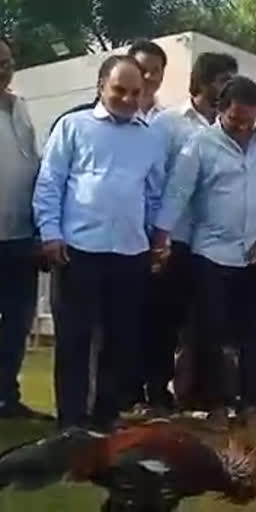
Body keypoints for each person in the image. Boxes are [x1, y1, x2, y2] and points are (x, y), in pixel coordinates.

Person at [33, 55, 165, 432]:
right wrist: (50, 233)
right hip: (77, 249)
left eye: (135, 93)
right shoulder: (73, 126)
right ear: (101, 86)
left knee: (120, 341)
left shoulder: (150, 137)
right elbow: (50, 184)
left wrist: (157, 239)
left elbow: (154, 194)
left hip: (130, 252)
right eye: (119, 90)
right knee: (74, 341)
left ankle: (105, 419)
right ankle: (71, 422)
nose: (127, 99)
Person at [152, 76, 256, 431]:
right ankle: (217, 406)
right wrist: (161, 238)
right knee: (212, 333)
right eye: (233, 120)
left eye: (248, 121)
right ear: (220, 111)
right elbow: (177, 194)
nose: (241, 127)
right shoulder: (200, 145)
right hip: (212, 252)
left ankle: (252, 405)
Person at [136, 52, 238, 417]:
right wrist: (155, 233)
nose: (228, 86)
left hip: (211, 243)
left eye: (232, 78)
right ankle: (155, 394)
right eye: (223, 78)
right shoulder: (169, 124)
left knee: (207, 323)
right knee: (163, 321)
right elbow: (153, 178)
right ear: (202, 81)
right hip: (174, 237)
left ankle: (202, 396)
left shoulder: (231, 129)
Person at [0, 36, 52, 421]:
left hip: (19, 237)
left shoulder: (21, 109)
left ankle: (7, 398)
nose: (3, 69)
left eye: (6, 61)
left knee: (17, 324)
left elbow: (34, 168)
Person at [127, 39, 167, 122]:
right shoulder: (116, 115)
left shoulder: (168, 119)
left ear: (162, 74)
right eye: (142, 69)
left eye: (155, 71)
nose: (148, 76)